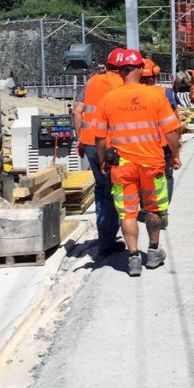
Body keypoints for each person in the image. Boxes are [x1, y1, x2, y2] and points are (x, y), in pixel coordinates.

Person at [94, 49, 181, 277]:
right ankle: (153, 252)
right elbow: (171, 131)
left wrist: (104, 161)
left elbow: (100, 138)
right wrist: (175, 154)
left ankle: (133, 258)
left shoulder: (108, 99)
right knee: (153, 208)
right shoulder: (156, 96)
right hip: (152, 163)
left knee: (128, 213)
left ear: (121, 72)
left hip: (122, 165)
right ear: (141, 70)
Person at [72, 49, 124, 257]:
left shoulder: (92, 82)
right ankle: (106, 242)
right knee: (113, 192)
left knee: (101, 190)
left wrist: (79, 139)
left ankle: (105, 236)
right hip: (110, 146)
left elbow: (77, 111)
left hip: (89, 143)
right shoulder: (123, 85)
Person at [141, 57, 181, 200]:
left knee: (143, 178)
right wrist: (178, 143)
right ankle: (162, 210)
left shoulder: (132, 95)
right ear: (155, 75)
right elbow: (176, 122)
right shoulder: (166, 93)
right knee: (167, 176)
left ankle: (147, 209)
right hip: (164, 144)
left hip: (141, 145)